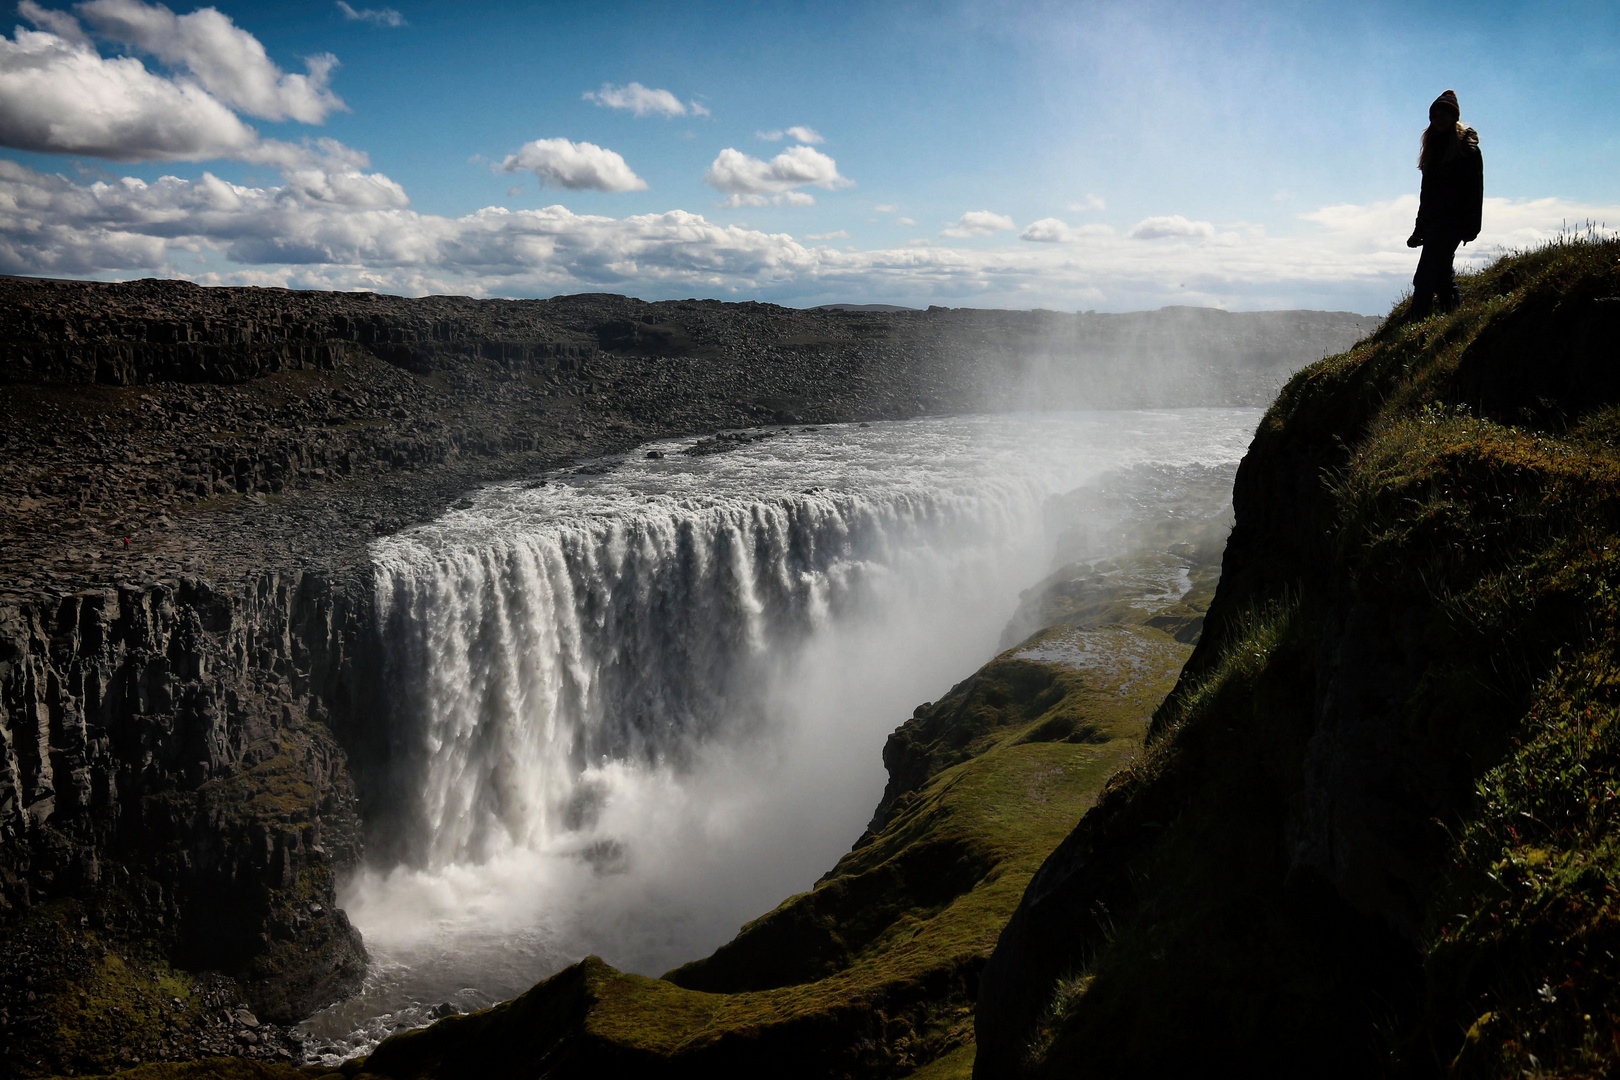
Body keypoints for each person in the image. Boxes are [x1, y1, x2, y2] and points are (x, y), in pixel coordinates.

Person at [1406, 89, 1483, 319]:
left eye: (1445, 114)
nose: (1440, 118)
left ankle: (1416, 321)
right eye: (1435, 114)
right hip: (1433, 224)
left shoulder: (1466, 149)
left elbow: (1475, 190)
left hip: (1453, 223)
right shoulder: (1433, 147)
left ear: (1454, 117)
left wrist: (1472, 227)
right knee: (1441, 276)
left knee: (1425, 277)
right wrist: (1419, 229)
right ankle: (1455, 319)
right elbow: (1426, 195)